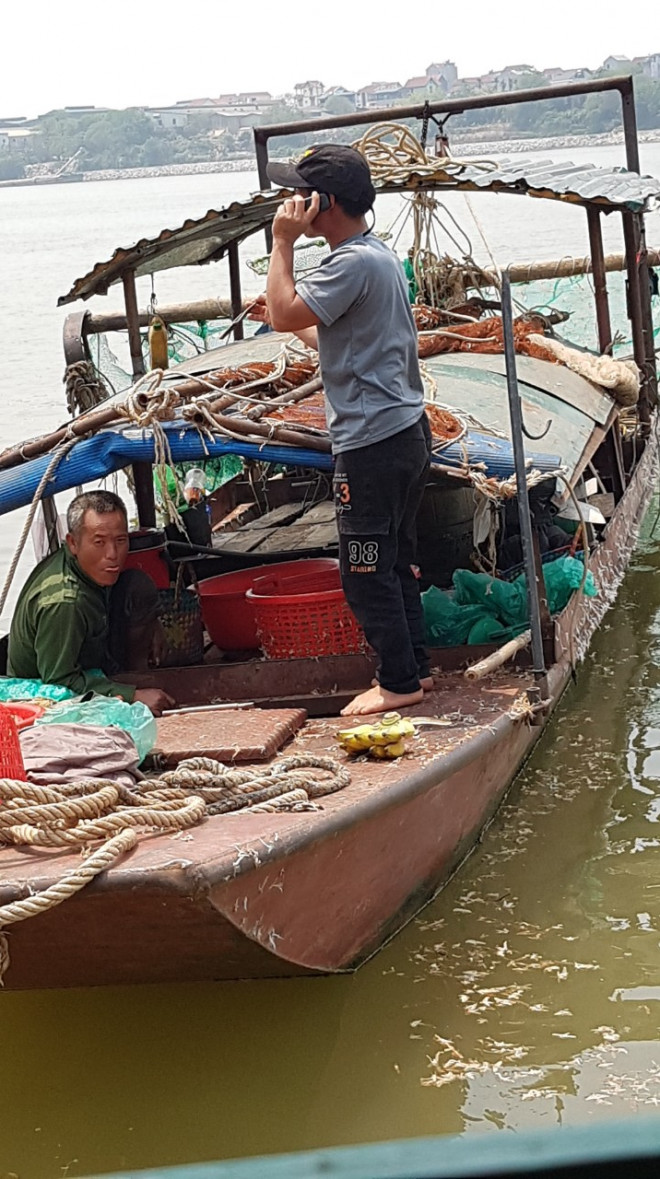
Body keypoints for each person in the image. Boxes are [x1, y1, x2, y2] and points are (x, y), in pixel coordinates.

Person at [252, 144, 432, 717]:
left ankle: (398, 682)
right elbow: (328, 335)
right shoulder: (375, 256)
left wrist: (282, 243)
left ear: (322, 202)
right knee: (394, 559)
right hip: (404, 432)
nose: (290, 204)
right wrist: (283, 314)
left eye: (299, 195)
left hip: (371, 445)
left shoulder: (348, 263)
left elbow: (285, 311)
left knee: (362, 569)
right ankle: (416, 672)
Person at [7, 490, 175, 716]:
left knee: (138, 584)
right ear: (73, 543)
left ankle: (135, 673)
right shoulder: (64, 602)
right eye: (99, 542)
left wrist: (152, 621)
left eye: (120, 540)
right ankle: (134, 688)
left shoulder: (90, 567)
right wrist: (132, 696)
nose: (112, 554)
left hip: (93, 648)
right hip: (44, 695)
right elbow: (59, 682)